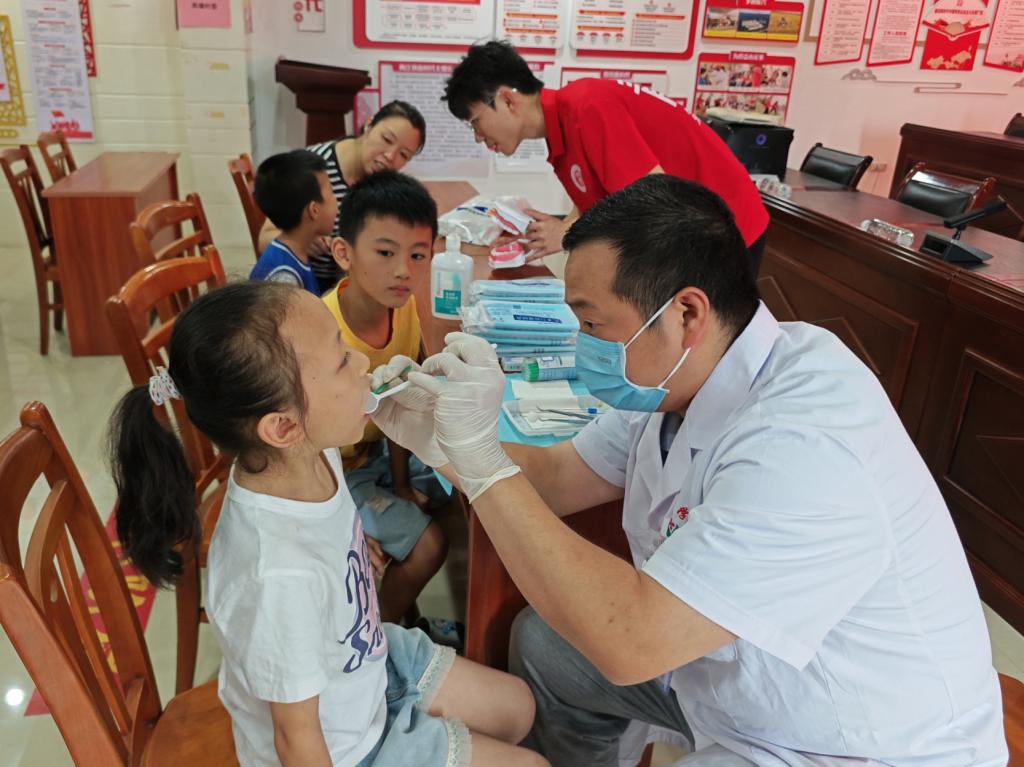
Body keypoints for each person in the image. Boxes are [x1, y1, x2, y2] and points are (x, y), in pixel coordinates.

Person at [370, 175, 1007, 765]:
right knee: (547, 646)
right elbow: (562, 477)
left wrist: (481, 461)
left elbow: (632, 642)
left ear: (686, 315)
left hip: (843, 740)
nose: (584, 342)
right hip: (724, 672)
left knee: (602, 641)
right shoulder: (675, 379)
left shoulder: (805, 443)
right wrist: (447, 445)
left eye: (592, 322)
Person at [106, 280, 548, 767]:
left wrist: (434, 438)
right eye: (341, 359)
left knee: (519, 709)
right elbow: (297, 740)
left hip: (362, 662)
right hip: (343, 745)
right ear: (283, 426)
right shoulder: (277, 577)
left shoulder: (310, 451)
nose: (361, 363)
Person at [442, 40, 770, 273]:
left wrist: (567, 233)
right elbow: (598, 202)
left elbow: (653, 203)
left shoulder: (588, 107)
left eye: (475, 122)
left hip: (727, 225)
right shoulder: (562, 130)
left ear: (507, 100)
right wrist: (547, 233)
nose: (478, 136)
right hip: (690, 227)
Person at [323, 169, 449, 626]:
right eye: (385, 253)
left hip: (375, 452)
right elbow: (302, 449)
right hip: (331, 476)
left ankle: (402, 611)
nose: (404, 271)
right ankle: (385, 642)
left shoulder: (404, 306)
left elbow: (398, 401)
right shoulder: (322, 335)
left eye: (418, 255)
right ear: (344, 253)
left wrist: (400, 485)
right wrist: (340, 524)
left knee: (460, 483)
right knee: (430, 546)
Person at [258, 101, 427, 294]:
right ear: (369, 125)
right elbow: (265, 239)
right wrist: (303, 237)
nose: (390, 156)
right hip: (313, 287)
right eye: (387, 139)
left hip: (354, 283)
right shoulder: (315, 171)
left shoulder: (385, 183)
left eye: (403, 155)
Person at [250, 149, 336, 295]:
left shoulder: (294, 250)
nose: (337, 200)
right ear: (313, 210)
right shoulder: (285, 279)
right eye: (332, 192)